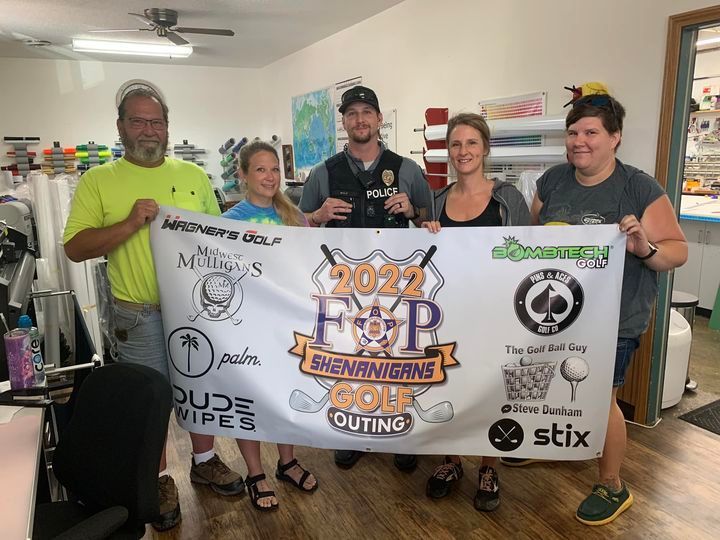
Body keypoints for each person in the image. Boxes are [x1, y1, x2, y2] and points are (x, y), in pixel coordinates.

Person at [63, 88, 245, 532]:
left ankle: (204, 460)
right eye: (139, 121)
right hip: (139, 313)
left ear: (168, 126)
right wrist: (128, 224)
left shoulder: (194, 176)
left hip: (198, 309)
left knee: (202, 388)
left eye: (157, 122)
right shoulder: (99, 180)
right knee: (151, 400)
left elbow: (217, 238)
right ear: (121, 126)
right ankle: (160, 478)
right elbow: (74, 248)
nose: (149, 130)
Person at [528, 94, 687, 525]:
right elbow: (533, 240)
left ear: (614, 137)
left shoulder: (638, 187)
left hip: (614, 318)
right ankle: (545, 445)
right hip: (554, 312)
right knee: (550, 385)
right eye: (574, 132)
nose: (579, 141)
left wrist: (643, 246)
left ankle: (612, 484)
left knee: (601, 398)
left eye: (591, 132)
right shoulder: (553, 182)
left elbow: (677, 251)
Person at [299, 85, 432, 471]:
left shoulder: (407, 169)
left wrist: (414, 211)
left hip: (398, 291)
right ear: (344, 122)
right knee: (350, 364)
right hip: (342, 292)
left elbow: (435, 223)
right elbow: (296, 231)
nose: (360, 119)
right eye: (352, 113)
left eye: (367, 112)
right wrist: (318, 216)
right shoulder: (323, 173)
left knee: (398, 363)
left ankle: (404, 437)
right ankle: (353, 435)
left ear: (379, 119)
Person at [422, 112, 530, 511]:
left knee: (489, 387)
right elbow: (423, 259)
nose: (462, 151)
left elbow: (525, 256)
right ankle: (450, 461)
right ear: (447, 151)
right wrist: (425, 231)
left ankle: (487, 465)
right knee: (446, 385)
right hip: (445, 313)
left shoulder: (508, 198)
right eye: (455, 144)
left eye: (471, 143)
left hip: (494, 312)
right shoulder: (435, 200)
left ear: (485, 148)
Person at [222, 140, 318, 511]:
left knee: (284, 395)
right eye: (260, 169)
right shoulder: (228, 223)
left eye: (275, 169)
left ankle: (287, 461)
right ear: (243, 174)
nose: (270, 177)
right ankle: (255, 472)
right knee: (251, 398)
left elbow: (312, 266)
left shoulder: (296, 217)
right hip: (247, 327)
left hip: (287, 326)